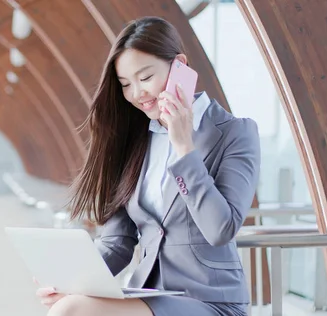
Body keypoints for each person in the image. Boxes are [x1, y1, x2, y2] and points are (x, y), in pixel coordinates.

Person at [35, 16, 261, 316]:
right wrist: (70, 283)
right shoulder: (136, 140)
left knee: (72, 311)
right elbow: (118, 242)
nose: (137, 94)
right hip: (148, 294)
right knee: (68, 304)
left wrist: (183, 147)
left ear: (180, 65)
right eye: (126, 84)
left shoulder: (234, 133)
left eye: (145, 77)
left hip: (210, 300)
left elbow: (220, 229)